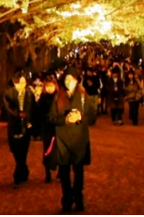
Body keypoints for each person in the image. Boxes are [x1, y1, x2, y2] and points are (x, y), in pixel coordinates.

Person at [49, 68, 94, 213]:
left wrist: (81, 117)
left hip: (79, 139)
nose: (70, 82)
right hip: (63, 139)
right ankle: (67, 199)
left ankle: (78, 197)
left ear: (77, 80)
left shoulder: (83, 96)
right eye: (67, 79)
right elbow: (51, 118)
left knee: (79, 171)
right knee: (64, 173)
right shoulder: (57, 97)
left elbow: (92, 117)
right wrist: (65, 119)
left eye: (73, 79)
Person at [2, 69, 35, 188]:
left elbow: (33, 108)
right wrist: (19, 113)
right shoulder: (9, 93)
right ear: (14, 83)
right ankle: (24, 170)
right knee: (16, 151)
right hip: (14, 126)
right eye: (19, 83)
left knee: (23, 152)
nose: (22, 85)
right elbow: (9, 106)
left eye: (24, 82)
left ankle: (18, 177)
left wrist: (31, 121)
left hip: (26, 127)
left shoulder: (29, 94)